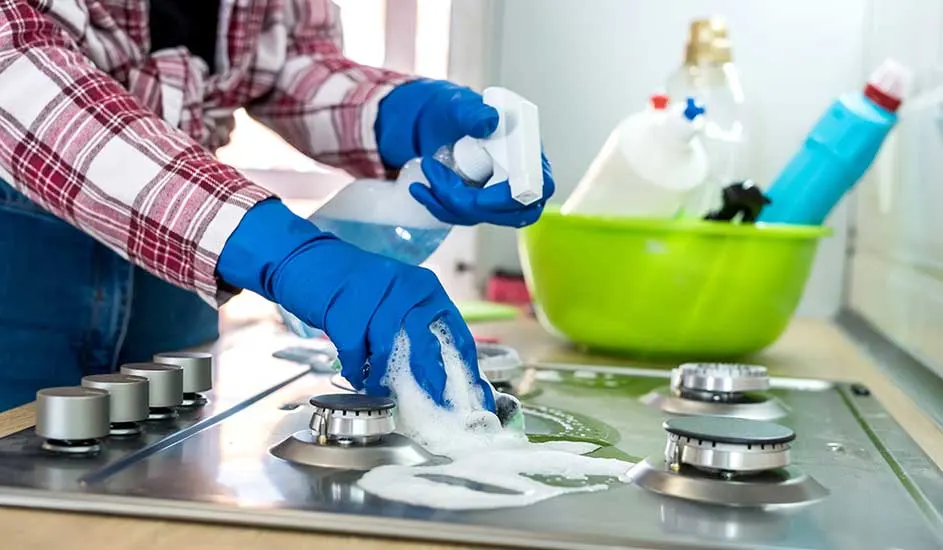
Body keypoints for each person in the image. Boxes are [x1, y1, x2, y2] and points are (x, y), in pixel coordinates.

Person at [0, 1, 554, 412]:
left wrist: (400, 115)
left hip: (176, 265)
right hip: (21, 256)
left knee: (163, 494)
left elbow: (283, 58)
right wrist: (279, 251)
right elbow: (13, 63)